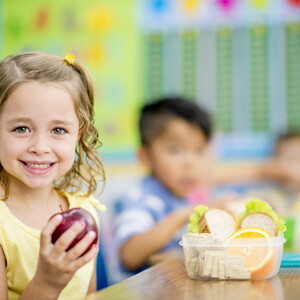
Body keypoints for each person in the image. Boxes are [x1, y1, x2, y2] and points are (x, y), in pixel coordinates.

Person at [0, 52, 105, 300]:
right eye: (21, 128)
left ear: (77, 136)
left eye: (58, 130)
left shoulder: (85, 210)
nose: (40, 146)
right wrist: (48, 282)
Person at [113, 96, 213, 275]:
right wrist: (184, 214)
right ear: (145, 157)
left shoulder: (179, 196)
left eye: (199, 151)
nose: (190, 163)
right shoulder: (139, 198)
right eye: (175, 150)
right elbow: (129, 255)